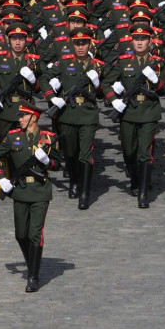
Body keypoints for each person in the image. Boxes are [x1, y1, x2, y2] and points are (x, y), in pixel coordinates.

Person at [0, 101, 60, 292]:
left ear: (33, 118)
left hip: (39, 191)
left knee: (35, 234)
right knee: (21, 235)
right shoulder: (13, 138)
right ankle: (32, 264)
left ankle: (33, 276)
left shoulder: (48, 138)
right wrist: (1, 178)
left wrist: (47, 161)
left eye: (22, 116)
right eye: (19, 116)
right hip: (20, 191)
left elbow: (58, 164)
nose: (18, 119)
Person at [40, 27, 106, 209]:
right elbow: (44, 79)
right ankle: (74, 180)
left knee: (85, 154)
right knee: (70, 153)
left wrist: (98, 84)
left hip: (88, 115)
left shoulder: (97, 66)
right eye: (77, 43)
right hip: (67, 114)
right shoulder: (63, 63)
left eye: (84, 43)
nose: (80, 47)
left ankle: (84, 192)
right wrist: (52, 97)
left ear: (90, 44)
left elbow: (102, 93)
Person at [102, 22, 165, 208]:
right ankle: (136, 181)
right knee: (129, 152)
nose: (139, 42)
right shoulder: (123, 61)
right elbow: (106, 84)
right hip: (128, 111)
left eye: (143, 38)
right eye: (136, 38)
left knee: (144, 153)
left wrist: (156, 80)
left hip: (148, 111)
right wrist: (114, 100)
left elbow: (164, 90)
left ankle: (143, 193)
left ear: (150, 41)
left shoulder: (157, 63)